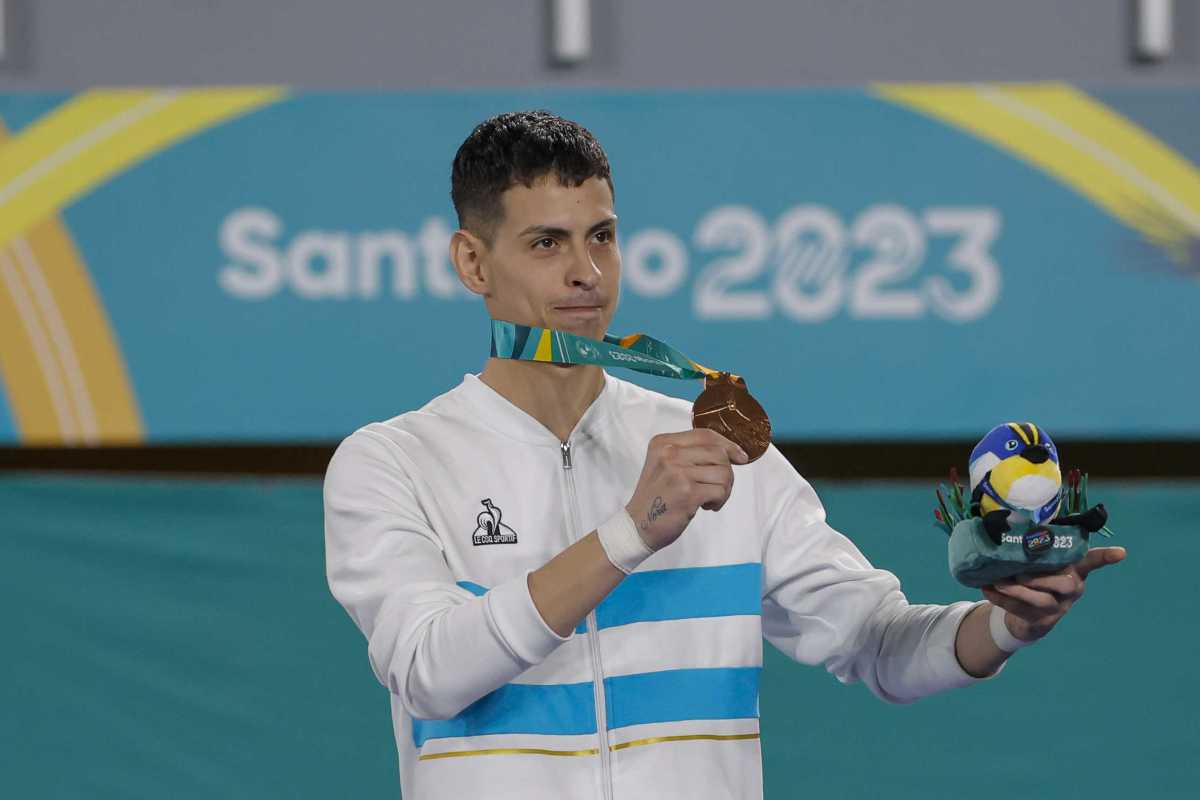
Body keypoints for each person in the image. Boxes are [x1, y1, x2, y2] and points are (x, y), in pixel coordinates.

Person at [323, 110, 1125, 800]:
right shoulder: (392, 463)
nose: (587, 274)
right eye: (546, 243)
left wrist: (1006, 625)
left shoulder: (719, 453)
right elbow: (429, 668)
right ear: (472, 262)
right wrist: (633, 530)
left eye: (602, 236)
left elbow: (876, 643)